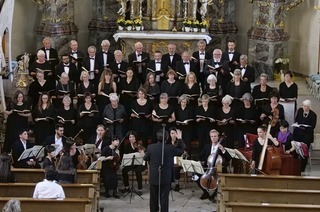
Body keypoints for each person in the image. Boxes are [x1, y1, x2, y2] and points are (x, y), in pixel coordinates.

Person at [143, 129, 185, 212]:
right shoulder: (170, 148)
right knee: (164, 198)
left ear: (157, 137)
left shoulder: (151, 147)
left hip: (154, 175)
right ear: (167, 138)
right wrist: (179, 138)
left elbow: (145, 158)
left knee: (153, 198)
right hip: (165, 176)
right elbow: (181, 150)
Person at [197, 129, 231, 201]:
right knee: (195, 176)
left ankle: (214, 194)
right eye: (212, 136)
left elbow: (229, 158)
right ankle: (205, 192)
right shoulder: (207, 146)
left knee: (221, 178)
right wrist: (200, 161)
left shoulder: (221, 146)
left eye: (215, 136)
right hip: (208, 168)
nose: (213, 138)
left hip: (219, 169)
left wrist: (223, 150)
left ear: (218, 137)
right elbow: (199, 156)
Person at [293, 99, 317, 172]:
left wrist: (305, 127)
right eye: (304, 106)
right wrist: (297, 125)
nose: (305, 108)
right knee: (295, 149)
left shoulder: (313, 115)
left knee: (304, 151)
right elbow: (296, 120)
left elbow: (313, 126)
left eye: (307, 106)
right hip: (298, 134)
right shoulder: (300, 111)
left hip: (307, 135)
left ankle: (302, 168)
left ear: (309, 107)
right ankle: (294, 166)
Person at [120, 131, 146, 195]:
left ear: (135, 137)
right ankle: (127, 187)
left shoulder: (139, 144)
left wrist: (141, 151)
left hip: (139, 163)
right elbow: (125, 156)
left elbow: (144, 154)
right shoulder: (127, 146)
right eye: (130, 137)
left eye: (133, 137)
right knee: (124, 170)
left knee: (138, 171)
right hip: (131, 163)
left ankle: (140, 189)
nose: (132, 138)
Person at [167, 127, 186, 192]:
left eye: (174, 133)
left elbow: (183, 148)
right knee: (167, 166)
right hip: (169, 159)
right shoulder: (167, 142)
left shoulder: (180, 141)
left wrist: (180, 139)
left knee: (176, 167)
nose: (173, 135)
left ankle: (177, 184)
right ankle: (168, 183)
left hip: (178, 160)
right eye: (171, 133)